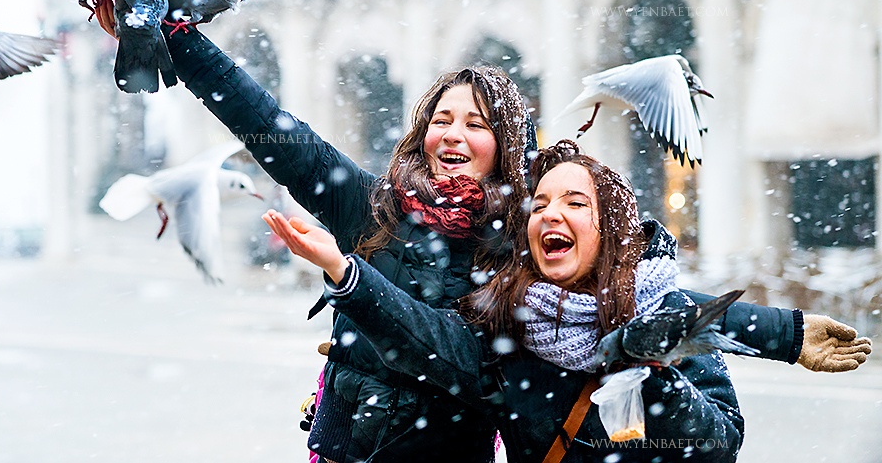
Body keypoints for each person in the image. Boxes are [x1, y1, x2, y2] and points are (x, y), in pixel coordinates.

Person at [109, 20, 866, 462]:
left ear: (506, 144)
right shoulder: (373, 204)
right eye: (442, 117)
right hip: (347, 449)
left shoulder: (519, 252)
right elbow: (268, 126)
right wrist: (175, 39)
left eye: (475, 123)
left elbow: (644, 303)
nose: (452, 134)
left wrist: (785, 332)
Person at [265, 140, 868, 461]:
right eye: (542, 203)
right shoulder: (508, 334)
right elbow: (427, 338)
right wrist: (346, 275)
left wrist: (648, 372)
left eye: (576, 202)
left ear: (610, 231)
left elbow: (716, 448)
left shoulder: (670, 318)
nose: (553, 212)